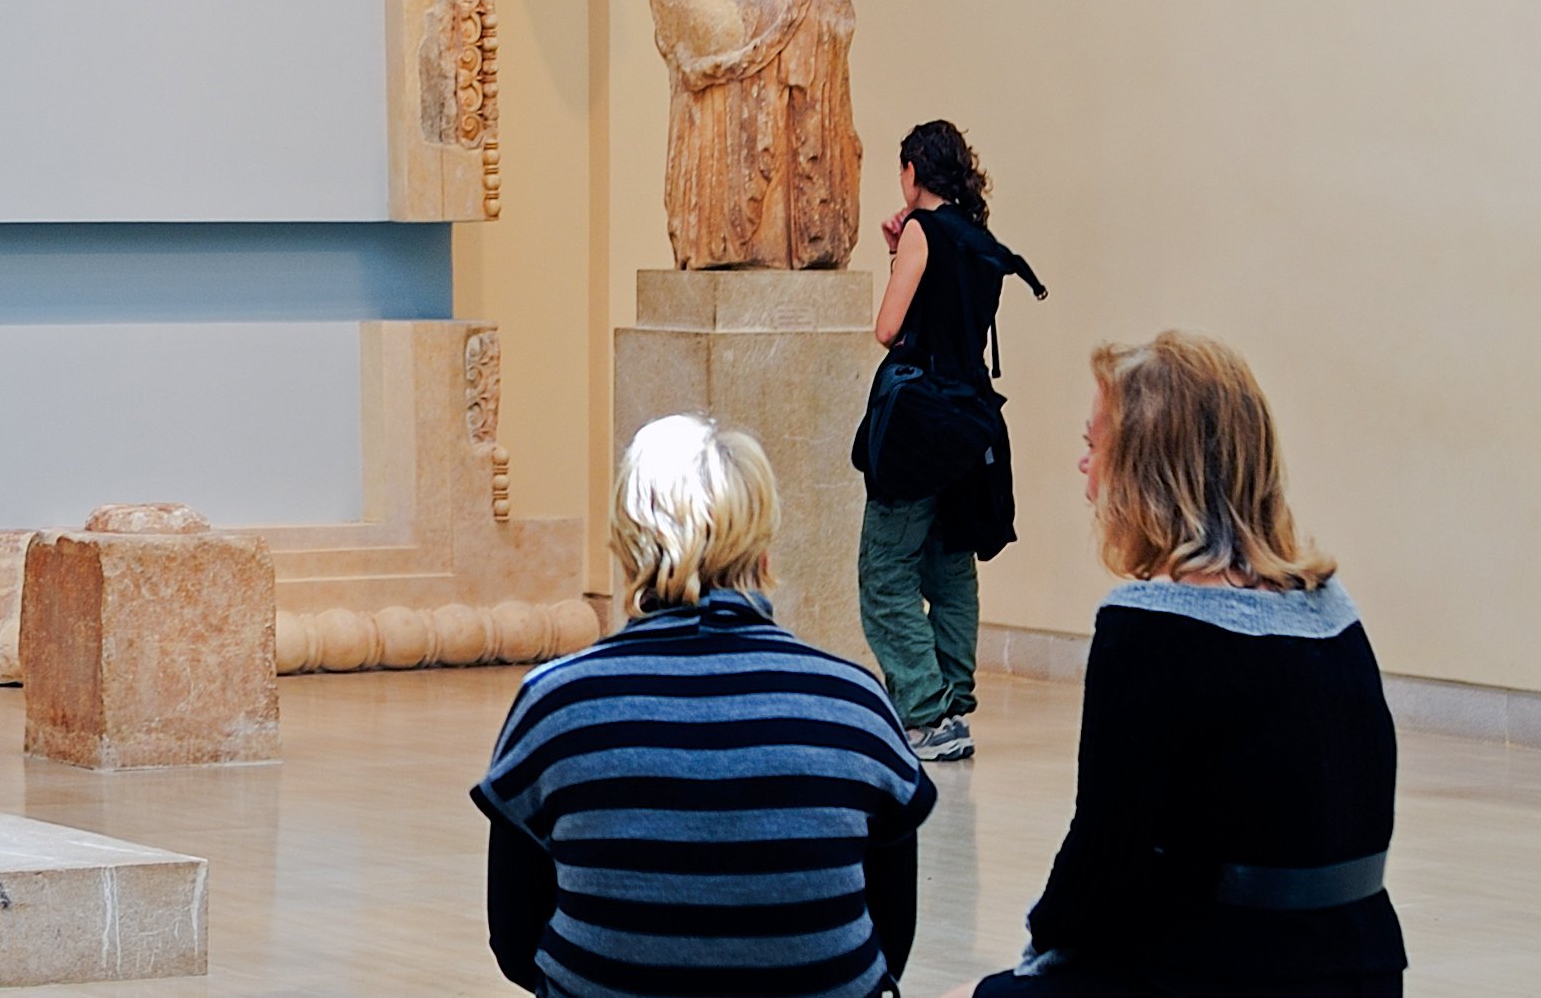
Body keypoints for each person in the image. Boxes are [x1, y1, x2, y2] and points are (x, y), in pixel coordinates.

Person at [967, 331, 1407, 997]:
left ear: (1145, 467)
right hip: (1361, 967)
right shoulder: (1330, 611)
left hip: (1220, 971)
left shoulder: (1147, 627)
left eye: (1093, 444)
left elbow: (1101, 859)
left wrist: (1027, 961)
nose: (1082, 467)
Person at [477, 415, 934, 998]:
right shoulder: (856, 705)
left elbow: (515, 941)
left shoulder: (555, 704)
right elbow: (891, 940)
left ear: (624, 548)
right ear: (764, 551)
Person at [853, 119, 1046, 762]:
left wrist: (898, 250)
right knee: (949, 559)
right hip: (973, 421)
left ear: (913, 171)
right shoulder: (976, 237)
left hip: (919, 424)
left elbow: (889, 328)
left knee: (885, 572)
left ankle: (924, 713)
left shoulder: (921, 229)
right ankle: (952, 703)